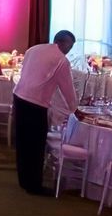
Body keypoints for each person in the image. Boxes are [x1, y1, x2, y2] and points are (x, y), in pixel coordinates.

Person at [12, 30, 80, 195]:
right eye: (70, 46)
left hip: (19, 97)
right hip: (36, 104)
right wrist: (75, 110)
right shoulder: (61, 60)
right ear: (62, 43)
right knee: (36, 145)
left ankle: (24, 180)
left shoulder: (33, 49)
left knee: (22, 142)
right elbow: (67, 89)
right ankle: (34, 185)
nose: (69, 50)